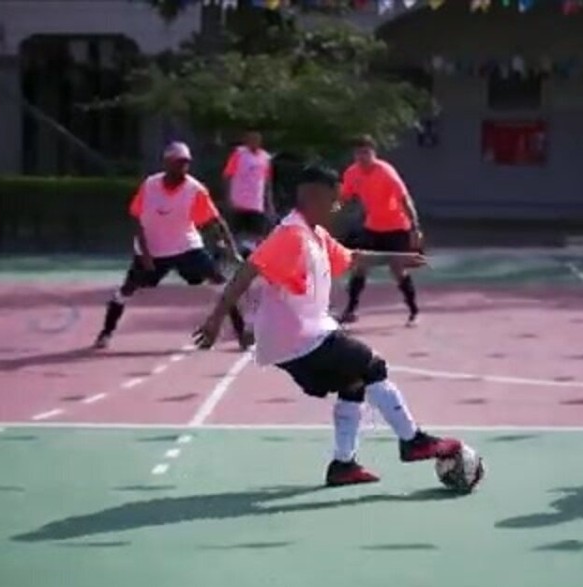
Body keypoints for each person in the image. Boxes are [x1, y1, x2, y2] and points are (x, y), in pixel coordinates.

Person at [192, 165, 463, 487]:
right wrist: (215, 318)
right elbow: (248, 272)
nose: (338, 208)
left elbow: (352, 257)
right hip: (298, 337)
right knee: (372, 365)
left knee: (353, 384)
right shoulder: (290, 235)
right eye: (334, 201)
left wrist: (396, 257)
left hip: (303, 336)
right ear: (313, 197)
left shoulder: (315, 236)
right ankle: (413, 441)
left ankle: (343, 465)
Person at [94, 141, 250, 350]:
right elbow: (137, 220)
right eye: (178, 163)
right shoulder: (150, 185)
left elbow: (216, 222)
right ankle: (106, 332)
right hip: (152, 250)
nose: (182, 167)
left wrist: (231, 250)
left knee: (223, 284)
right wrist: (146, 254)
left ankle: (242, 334)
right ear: (166, 163)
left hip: (186, 247)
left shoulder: (195, 189)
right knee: (127, 289)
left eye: (186, 163)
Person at [336, 136, 423, 326]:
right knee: (360, 265)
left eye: (367, 152)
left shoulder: (385, 171)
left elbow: (405, 199)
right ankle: (350, 310)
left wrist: (415, 227)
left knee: (397, 269)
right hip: (372, 226)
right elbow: (344, 197)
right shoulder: (352, 173)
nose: (363, 157)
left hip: (397, 226)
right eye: (359, 153)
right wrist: (330, 211)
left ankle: (413, 310)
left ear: (374, 153)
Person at [221, 129, 273, 258]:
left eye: (256, 138)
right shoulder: (239, 154)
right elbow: (228, 175)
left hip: (256, 202)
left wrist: (269, 202)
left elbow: (267, 182)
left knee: (257, 233)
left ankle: (250, 257)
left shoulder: (265, 157)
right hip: (238, 201)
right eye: (251, 138)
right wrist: (227, 197)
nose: (253, 141)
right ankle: (232, 256)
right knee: (235, 232)